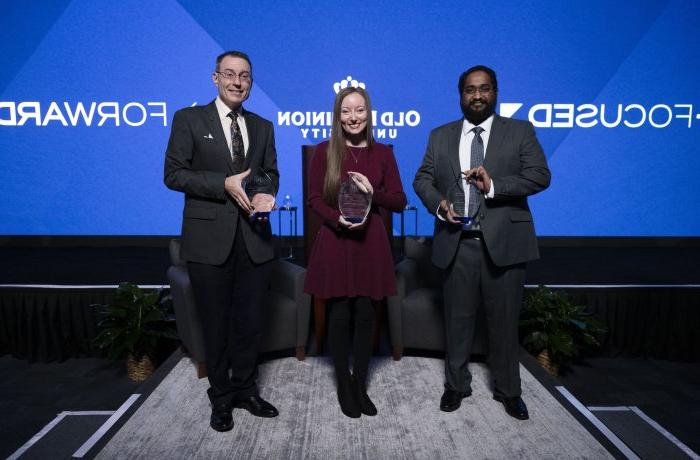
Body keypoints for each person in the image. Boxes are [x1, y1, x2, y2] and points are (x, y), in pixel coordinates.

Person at [413, 65, 551, 420]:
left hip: (504, 245)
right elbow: (423, 179)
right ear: (460, 95)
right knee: (457, 322)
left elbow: (540, 176)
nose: (477, 96)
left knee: (504, 324)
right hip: (457, 243)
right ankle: (456, 386)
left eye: (484, 89)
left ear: (495, 92)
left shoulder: (519, 131)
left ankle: (509, 391)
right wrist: (439, 204)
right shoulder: (440, 135)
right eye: (470, 90)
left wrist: (493, 186)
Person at [164, 50, 279, 432]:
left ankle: (246, 390)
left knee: (249, 323)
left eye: (244, 76)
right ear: (215, 78)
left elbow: (269, 173)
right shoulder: (189, 119)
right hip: (207, 241)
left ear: (251, 82)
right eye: (229, 74)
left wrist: (266, 194)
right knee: (215, 325)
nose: (237, 81)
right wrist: (222, 184)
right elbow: (174, 175)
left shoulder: (263, 126)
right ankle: (222, 397)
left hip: (254, 239)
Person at [305, 87, 407, 418]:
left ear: (368, 112)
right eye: (346, 111)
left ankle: (360, 383)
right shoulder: (324, 151)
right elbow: (314, 200)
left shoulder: (383, 154)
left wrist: (371, 192)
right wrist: (338, 220)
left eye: (359, 110)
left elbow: (399, 200)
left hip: (371, 244)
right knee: (339, 315)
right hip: (336, 241)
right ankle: (343, 386)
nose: (353, 117)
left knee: (366, 315)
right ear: (338, 115)